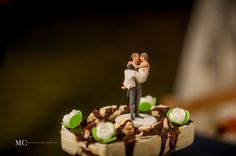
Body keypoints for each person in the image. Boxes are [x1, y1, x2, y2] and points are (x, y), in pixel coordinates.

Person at [122, 52, 150, 120]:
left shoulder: (140, 64)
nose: (139, 58)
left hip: (139, 85)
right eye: (138, 56)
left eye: (140, 56)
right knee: (132, 101)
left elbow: (144, 71)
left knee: (138, 100)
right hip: (132, 86)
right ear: (134, 57)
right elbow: (129, 76)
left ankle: (137, 114)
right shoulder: (130, 65)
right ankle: (132, 115)